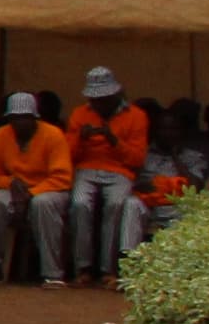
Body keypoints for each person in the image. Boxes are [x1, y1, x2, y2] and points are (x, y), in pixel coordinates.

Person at [64, 68, 149, 284]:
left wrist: (114, 141)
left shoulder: (137, 116)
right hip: (87, 169)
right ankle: (83, 268)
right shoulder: (79, 114)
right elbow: (68, 155)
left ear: (115, 94)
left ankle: (108, 271)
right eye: (95, 98)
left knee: (116, 204)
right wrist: (80, 139)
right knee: (80, 204)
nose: (99, 103)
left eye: (104, 98)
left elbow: (137, 159)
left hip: (120, 171)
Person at [0, 89, 74, 285]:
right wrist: (10, 183)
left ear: (35, 117)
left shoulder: (53, 135)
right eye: (14, 118)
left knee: (42, 204)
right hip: (14, 190)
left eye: (25, 118)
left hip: (49, 190)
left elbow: (62, 178)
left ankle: (52, 274)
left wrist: (31, 194)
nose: (19, 123)